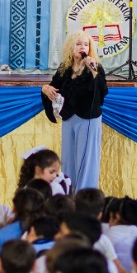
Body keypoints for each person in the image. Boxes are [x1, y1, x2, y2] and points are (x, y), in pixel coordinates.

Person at [41, 32, 108, 191]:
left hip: (88, 119)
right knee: (68, 159)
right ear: (71, 47)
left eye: (85, 44)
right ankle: (68, 194)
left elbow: (102, 93)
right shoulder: (64, 68)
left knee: (86, 162)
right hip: (69, 118)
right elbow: (53, 87)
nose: (82, 47)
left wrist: (94, 73)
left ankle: (85, 198)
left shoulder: (96, 67)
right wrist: (45, 88)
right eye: (78, 44)